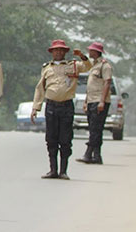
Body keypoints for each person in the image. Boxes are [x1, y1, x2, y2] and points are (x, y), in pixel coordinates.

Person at [31, 39, 91, 180]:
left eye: (61, 50)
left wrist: (82, 56)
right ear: (52, 52)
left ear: (65, 52)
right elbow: (40, 88)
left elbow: (89, 66)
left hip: (66, 106)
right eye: (56, 50)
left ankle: (63, 171)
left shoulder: (74, 65)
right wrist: (35, 108)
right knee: (51, 139)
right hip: (51, 106)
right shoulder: (47, 68)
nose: (58, 52)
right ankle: (53, 170)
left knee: (65, 139)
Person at [76, 42, 112, 165]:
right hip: (92, 100)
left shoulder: (105, 66)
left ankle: (88, 153)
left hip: (99, 101)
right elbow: (90, 86)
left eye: (91, 50)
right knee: (93, 129)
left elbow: (107, 83)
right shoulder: (94, 66)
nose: (89, 52)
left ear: (96, 52)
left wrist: (102, 101)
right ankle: (96, 156)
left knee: (96, 128)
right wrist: (86, 101)